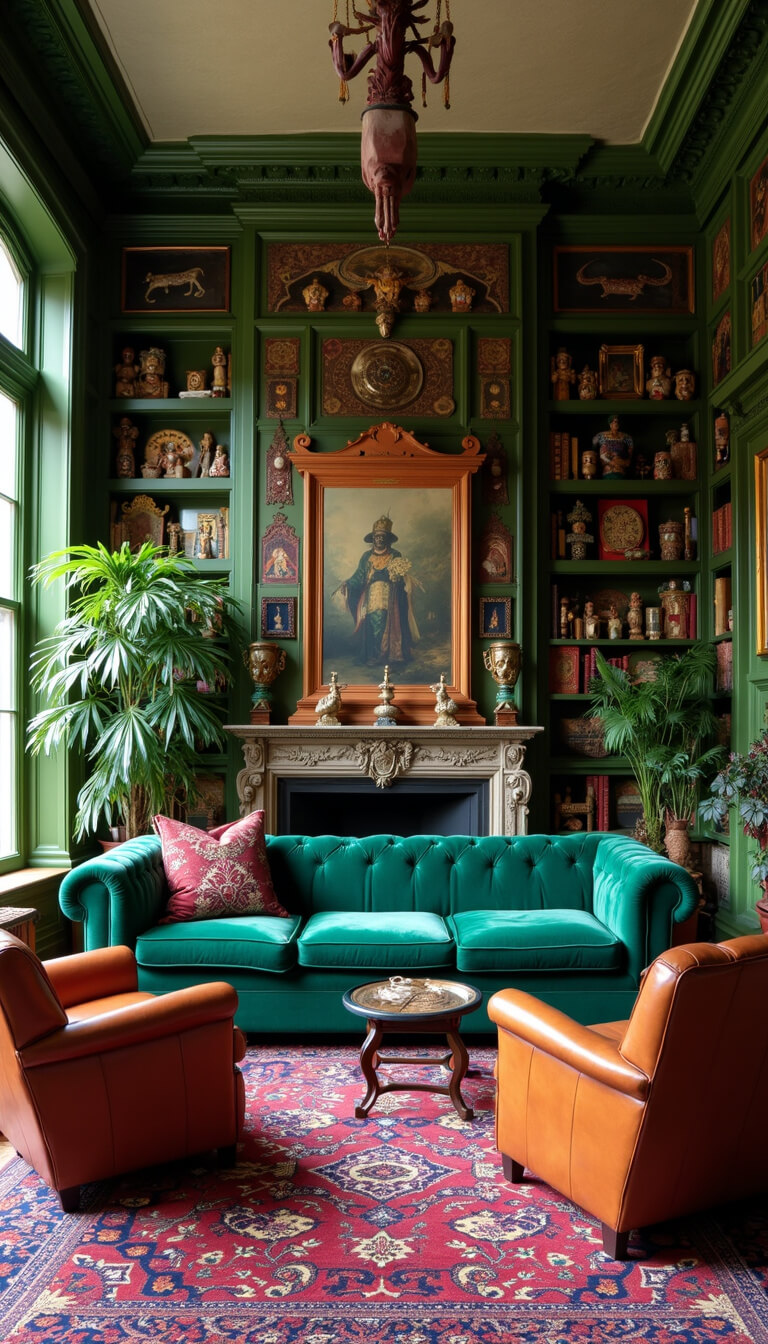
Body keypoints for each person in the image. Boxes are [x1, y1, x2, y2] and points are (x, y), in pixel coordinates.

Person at [333, 514, 421, 667]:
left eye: (383, 536)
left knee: (387, 622)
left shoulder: (395, 555)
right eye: (377, 536)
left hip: (391, 597)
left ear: (387, 539)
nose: (379, 539)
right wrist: (348, 584)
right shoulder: (366, 556)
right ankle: (374, 655)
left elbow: (399, 577)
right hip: (371, 597)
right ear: (372, 539)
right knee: (373, 622)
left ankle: (388, 654)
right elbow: (359, 576)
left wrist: (395, 577)